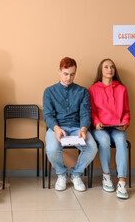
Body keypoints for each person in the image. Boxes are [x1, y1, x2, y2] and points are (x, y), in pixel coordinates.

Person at [43, 57, 98, 192]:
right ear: (59, 71)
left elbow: (85, 113)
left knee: (92, 147)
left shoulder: (83, 91)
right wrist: (56, 129)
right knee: (52, 149)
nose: (69, 78)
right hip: (56, 127)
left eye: (72, 74)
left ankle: (75, 174)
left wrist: (84, 129)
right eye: (66, 74)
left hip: (77, 128)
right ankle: (61, 175)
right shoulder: (49, 91)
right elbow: (48, 115)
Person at [89, 58, 130, 199]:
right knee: (104, 141)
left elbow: (126, 112)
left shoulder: (122, 89)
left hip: (117, 128)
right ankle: (106, 176)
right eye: (106, 67)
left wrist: (125, 124)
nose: (109, 69)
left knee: (121, 142)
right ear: (100, 70)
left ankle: (122, 182)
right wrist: (96, 123)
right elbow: (92, 111)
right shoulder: (92, 90)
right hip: (100, 127)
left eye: (112, 67)